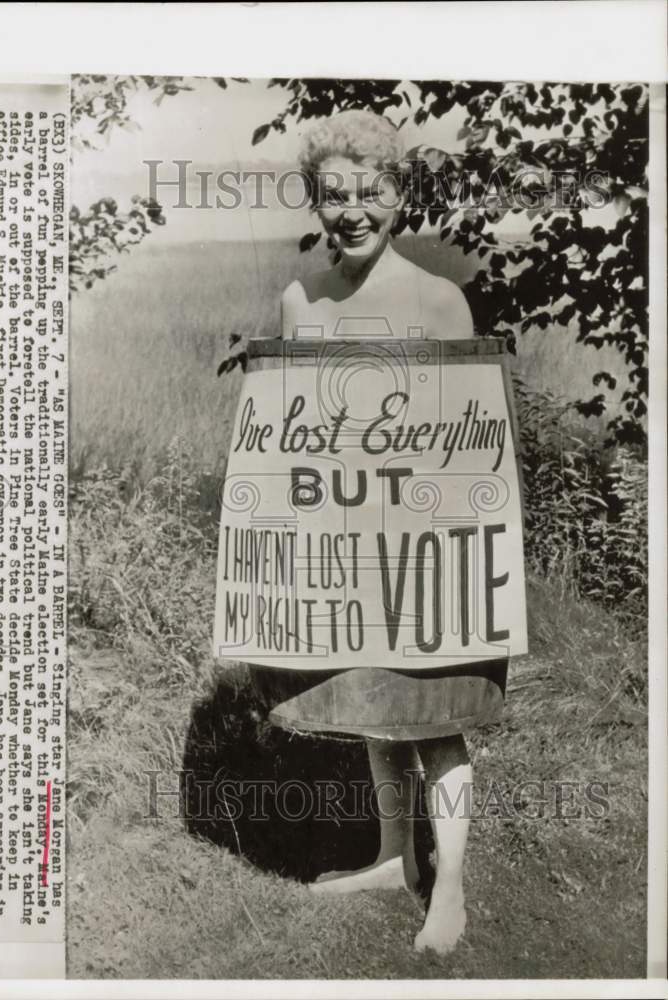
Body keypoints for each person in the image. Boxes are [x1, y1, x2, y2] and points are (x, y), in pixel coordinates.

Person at [274, 108, 507, 955]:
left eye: (370, 193)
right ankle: (392, 856)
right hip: (343, 548)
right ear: (316, 204)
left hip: (428, 551)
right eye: (333, 196)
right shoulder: (302, 301)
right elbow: (282, 431)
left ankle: (449, 895)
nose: (352, 211)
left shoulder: (440, 301)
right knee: (374, 707)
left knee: (435, 715)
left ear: (399, 198)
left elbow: (473, 440)